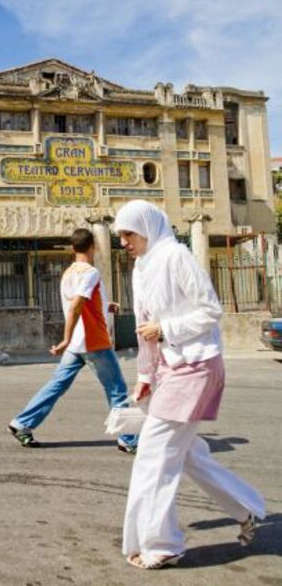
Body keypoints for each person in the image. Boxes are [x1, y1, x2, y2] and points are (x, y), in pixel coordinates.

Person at [113, 199, 265, 570]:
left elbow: (210, 309)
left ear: (147, 228)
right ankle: (247, 509)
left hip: (196, 366)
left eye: (128, 233)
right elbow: (145, 327)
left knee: (154, 455)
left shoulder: (176, 257)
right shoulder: (142, 267)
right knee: (188, 454)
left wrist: (167, 328)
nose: (124, 242)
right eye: (120, 235)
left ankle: (163, 545)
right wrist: (145, 377)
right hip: (170, 369)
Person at [8, 227, 138, 453]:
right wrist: (65, 338)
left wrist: (107, 305)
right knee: (117, 389)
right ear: (92, 247)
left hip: (78, 343)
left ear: (73, 247)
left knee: (56, 385)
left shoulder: (68, 273)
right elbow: (77, 304)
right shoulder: (90, 272)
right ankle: (128, 439)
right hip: (92, 341)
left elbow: (82, 303)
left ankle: (22, 423)